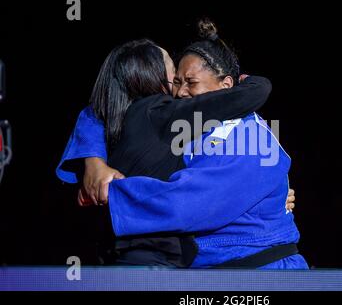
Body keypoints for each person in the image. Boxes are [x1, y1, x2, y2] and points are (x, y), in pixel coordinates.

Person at [58, 19, 307, 269]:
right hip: (206, 273)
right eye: (176, 82)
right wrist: (94, 161)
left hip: (260, 274)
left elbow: (188, 206)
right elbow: (105, 106)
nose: (180, 92)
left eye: (191, 82)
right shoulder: (187, 126)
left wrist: (112, 194)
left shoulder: (248, 136)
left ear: (227, 86)